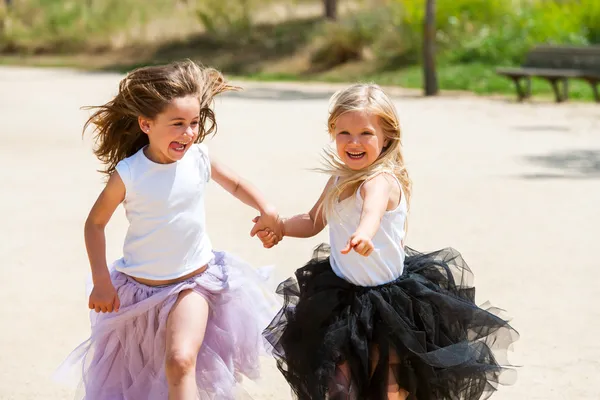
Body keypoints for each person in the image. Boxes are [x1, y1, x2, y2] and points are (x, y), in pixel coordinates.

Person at [256, 83, 518, 400]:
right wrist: (281, 227)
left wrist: (364, 234)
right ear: (333, 133)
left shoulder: (380, 180)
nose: (354, 142)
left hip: (389, 305)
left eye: (365, 133)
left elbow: (372, 210)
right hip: (341, 298)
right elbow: (313, 221)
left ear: (386, 138)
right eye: (344, 133)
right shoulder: (338, 178)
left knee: (391, 386)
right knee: (340, 381)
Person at [59, 60, 282, 400]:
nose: (189, 133)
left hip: (193, 284)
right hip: (138, 295)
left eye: (194, 123)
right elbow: (95, 223)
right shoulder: (130, 173)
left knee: (179, 361)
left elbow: (237, 184)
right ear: (146, 124)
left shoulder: (199, 158)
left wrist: (266, 208)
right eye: (177, 124)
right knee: (143, 381)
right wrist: (101, 280)